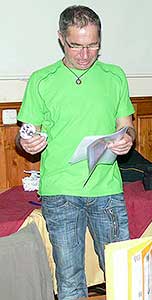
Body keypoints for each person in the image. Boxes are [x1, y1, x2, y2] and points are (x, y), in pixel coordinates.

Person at [16, 6, 135, 299]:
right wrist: (27, 144)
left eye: (93, 45)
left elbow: (128, 128)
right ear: (60, 39)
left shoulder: (114, 76)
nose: (85, 54)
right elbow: (24, 136)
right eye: (76, 46)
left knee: (123, 274)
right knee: (69, 279)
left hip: (107, 189)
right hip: (60, 191)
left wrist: (127, 140)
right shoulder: (41, 80)